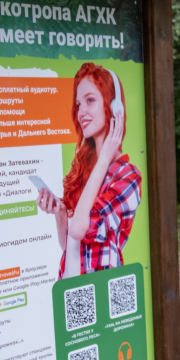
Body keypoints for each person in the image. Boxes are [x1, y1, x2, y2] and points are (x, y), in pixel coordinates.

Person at [37, 63, 142, 279]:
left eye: (90, 100)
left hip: (101, 292)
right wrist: (60, 213)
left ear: (115, 109)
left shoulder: (128, 176)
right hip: (69, 288)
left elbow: (80, 229)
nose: (81, 111)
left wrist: (104, 158)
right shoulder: (84, 167)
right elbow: (69, 245)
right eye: (78, 104)